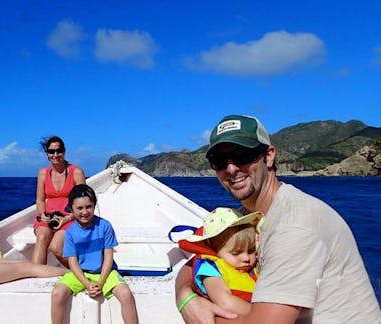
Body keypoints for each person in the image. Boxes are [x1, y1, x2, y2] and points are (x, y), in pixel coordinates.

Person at [175, 115, 381, 323]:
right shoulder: (245, 218)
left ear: (269, 156)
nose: (231, 169)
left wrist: (203, 314)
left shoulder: (294, 225)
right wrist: (186, 297)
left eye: (243, 155)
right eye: (219, 161)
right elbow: (196, 261)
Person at [51, 184, 138, 324]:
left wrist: (100, 282)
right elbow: (72, 262)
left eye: (88, 207)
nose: (84, 212)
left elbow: (109, 257)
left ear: (94, 205)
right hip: (81, 273)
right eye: (79, 208)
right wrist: (86, 283)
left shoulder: (105, 226)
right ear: (71, 209)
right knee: (57, 293)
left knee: (126, 295)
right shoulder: (71, 232)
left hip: (105, 272)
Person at [179, 207, 262, 316]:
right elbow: (224, 302)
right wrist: (263, 315)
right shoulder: (210, 269)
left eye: (251, 251)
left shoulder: (251, 270)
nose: (246, 258)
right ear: (215, 250)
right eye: (236, 253)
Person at [33, 136, 86, 266]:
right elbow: (40, 200)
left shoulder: (76, 173)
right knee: (42, 237)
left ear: (64, 151)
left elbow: (84, 203)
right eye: (51, 152)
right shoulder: (43, 174)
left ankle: (82, 272)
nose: (55, 155)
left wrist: (67, 218)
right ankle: (36, 277)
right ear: (47, 154)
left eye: (59, 151)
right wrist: (43, 214)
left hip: (70, 218)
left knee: (55, 247)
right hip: (49, 218)